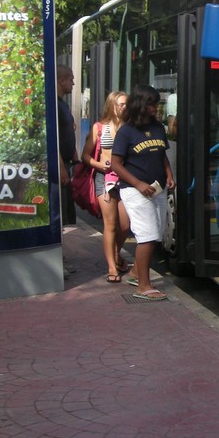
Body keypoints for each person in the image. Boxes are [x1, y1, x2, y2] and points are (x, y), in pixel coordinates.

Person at [112, 84, 175, 301]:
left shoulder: (157, 127)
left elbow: (162, 155)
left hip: (157, 188)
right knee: (147, 236)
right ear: (141, 104)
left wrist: (169, 174)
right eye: (152, 104)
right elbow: (116, 164)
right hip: (134, 190)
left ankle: (134, 273)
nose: (156, 108)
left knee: (155, 233)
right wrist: (138, 183)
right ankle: (143, 287)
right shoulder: (126, 131)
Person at [81, 91, 131, 283]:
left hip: (124, 179)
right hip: (104, 179)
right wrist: (99, 165)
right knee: (110, 224)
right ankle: (112, 267)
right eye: (120, 104)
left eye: (126, 104)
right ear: (111, 105)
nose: (124, 107)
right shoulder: (99, 128)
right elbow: (85, 155)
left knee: (125, 225)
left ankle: (116, 254)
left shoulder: (130, 127)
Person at [56, 65, 78, 225]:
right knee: (62, 212)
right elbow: (53, 138)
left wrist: (76, 161)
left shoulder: (64, 105)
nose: (73, 83)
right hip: (61, 165)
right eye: (71, 79)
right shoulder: (53, 105)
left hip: (67, 164)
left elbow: (68, 133)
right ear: (61, 80)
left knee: (69, 212)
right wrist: (61, 167)